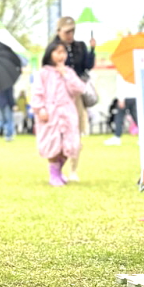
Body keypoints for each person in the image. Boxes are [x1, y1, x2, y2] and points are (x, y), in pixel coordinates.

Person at [32, 39, 85, 186]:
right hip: (50, 113)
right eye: (58, 52)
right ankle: (53, 174)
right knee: (52, 143)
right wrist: (40, 108)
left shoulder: (69, 72)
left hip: (67, 113)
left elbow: (79, 89)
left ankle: (57, 170)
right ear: (50, 54)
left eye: (63, 52)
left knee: (68, 144)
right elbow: (37, 93)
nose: (61, 56)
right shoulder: (43, 73)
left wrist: (66, 75)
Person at [54, 16, 95, 181]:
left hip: (76, 94)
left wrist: (92, 50)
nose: (70, 34)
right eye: (67, 31)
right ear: (59, 32)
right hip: (59, 95)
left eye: (72, 31)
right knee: (59, 132)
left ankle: (73, 170)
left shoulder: (80, 46)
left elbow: (87, 66)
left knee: (76, 132)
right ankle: (57, 169)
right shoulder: (54, 48)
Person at [104, 73, 138, 145]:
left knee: (119, 118)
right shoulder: (134, 71)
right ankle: (143, 137)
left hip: (125, 97)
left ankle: (117, 137)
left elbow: (121, 85)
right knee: (137, 118)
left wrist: (120, 98)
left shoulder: (122, 72)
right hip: (134, 96)